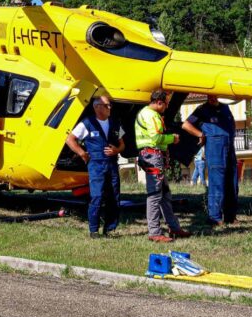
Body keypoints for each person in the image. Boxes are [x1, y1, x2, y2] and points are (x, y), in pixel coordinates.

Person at [65, 94, 125, 238]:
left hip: (111, 164)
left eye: (110, 105)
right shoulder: (87, 123)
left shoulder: (115, 122)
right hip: (96, 165)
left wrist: (117, 150)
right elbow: (70, 139)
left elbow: (123, 144)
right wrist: (82, 153)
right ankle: (93, 230)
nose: (110, 108)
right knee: (97, 196)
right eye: (106, 105)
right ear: (97, 107)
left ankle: (110, 229)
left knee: (113, 196)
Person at [136, 89, 191, 243]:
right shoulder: (150, 115)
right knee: (154, 195)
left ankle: (174, 227)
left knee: (164, 194)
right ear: (159, 102)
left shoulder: (148, 114)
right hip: (152, 156)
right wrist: (171, 138)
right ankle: (154, 232)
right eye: (166, 104)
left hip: (152, 156)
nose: (167, 107)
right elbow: (155, 137)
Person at [182, 94, 238, 225]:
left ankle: (230, 216)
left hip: (229, 147)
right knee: (216, 183)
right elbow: (186, 125)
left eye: (215, 96)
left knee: (232, 182)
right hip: (215, 148)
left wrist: (232, 135)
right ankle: (215, 217)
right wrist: (201, 134)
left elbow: (232, 122)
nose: (212, 98)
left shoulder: (225, 107)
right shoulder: (202, 109)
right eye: (210, 96)